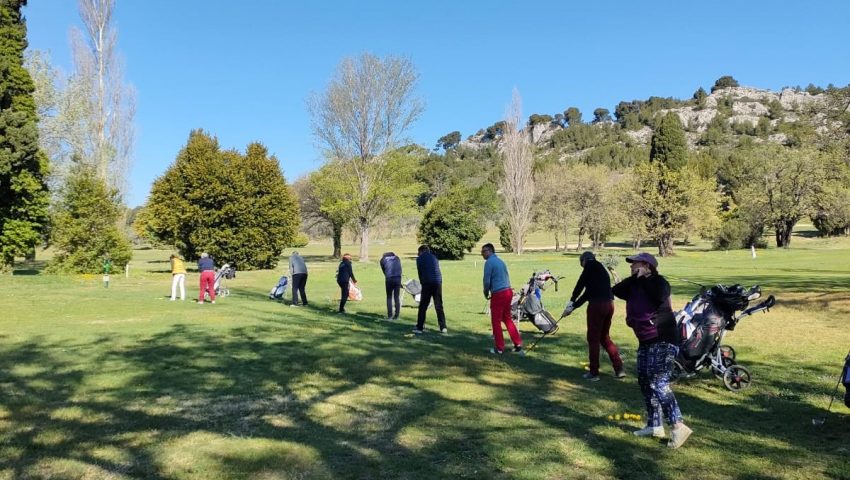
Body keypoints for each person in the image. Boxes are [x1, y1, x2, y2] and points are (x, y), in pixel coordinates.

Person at [612, 252, 692, 449]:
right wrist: (634, 277)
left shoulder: (659, 282)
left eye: (635, 264)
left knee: (658, 382)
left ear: (647, 266)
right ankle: (654, 425)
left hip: (663, 338)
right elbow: (617, 290)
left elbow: (660, 296)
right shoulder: (634, 283)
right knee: (645, 381)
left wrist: (647, 277)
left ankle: (678, 425)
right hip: (646, 340)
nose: (631, 266)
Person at [562, 251, 624, 381]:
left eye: (581, 264)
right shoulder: (600, 268)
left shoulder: (589, 267)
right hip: (609, 304)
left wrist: (571, 303)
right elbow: (587, 292)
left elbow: (580, 286)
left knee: (593, 339)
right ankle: (619, 369)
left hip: (597, 306)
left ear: (583, 260)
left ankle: (594, 372)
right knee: (604, 337)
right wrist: (572, 307)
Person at [481, 243, 523, 355]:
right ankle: (518, 343)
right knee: (507, 318)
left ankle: (499, 348)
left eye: (483, 251)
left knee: (496, 321)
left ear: (490, 251)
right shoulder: (500, 261)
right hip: (508, 292)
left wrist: (486, 292)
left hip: (499, 294)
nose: (482, 254)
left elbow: (486, 280)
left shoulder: (489, 262)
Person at [413, 245, 447, 334]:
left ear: (421, 251)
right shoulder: (434, 257)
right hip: (437, 282)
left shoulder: (419, 259)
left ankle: (420, 327)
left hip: (427, 282)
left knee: (423, 305)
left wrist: (422, 283)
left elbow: (420, 272)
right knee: (439, 305)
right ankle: (443, 327)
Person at [380, 251, 402, 320]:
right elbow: (399, 267)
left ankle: (390, 316)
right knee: (396, 297)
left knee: (389, 297)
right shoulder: (397, 258)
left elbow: (384, 270)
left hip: (389, 278)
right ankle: (397, 315)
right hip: (398, 277)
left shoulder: (382, 260)